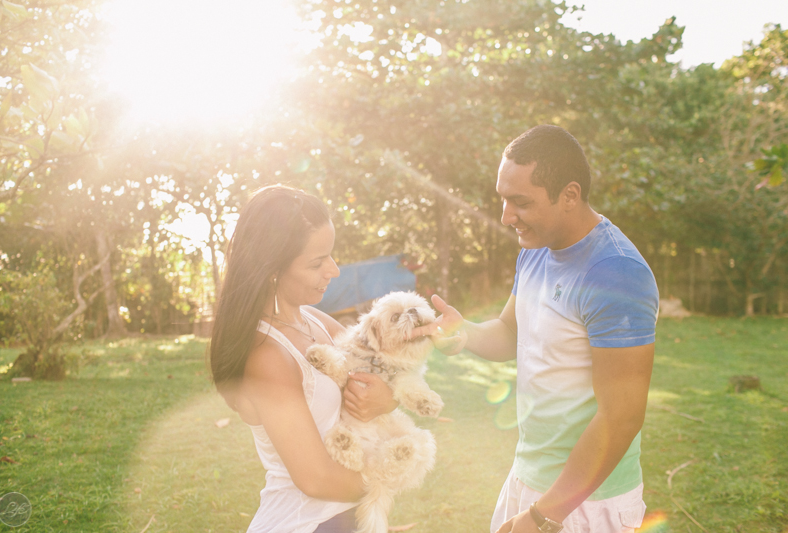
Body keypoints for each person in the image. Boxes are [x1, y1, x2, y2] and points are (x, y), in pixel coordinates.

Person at [414, 125, 659, 533]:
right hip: (529, 479)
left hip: (585, 503)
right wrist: (464, 333)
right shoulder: (535, 250)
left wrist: (546, 516)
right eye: (503, 200)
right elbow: (512, 333)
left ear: (569, 195)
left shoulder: (616, 272)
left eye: (520, 202)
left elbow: (622, 417)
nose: (507, 216)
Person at [209, 185, 398, 533]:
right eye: (317, 262)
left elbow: (382, 372)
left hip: (347, 519)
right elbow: (315, 478)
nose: (335, 270)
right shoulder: (266, 357)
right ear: (273, 269)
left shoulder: (316, 321)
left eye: (331, 255)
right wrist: (392, 475)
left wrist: (388, 399)